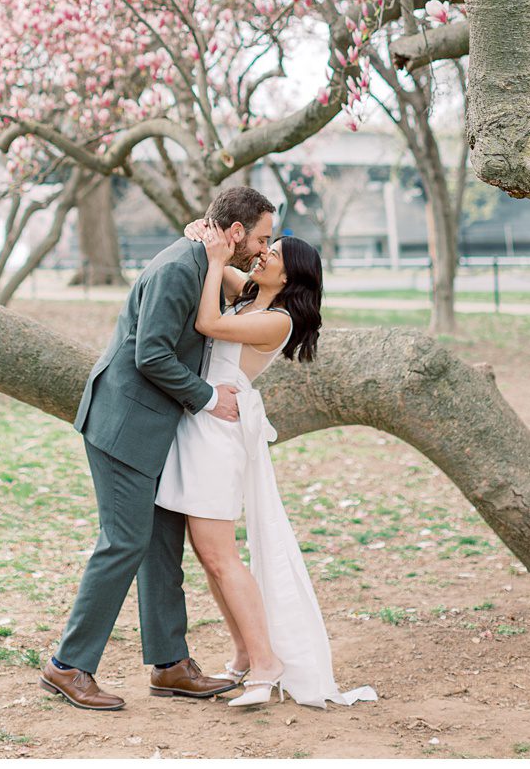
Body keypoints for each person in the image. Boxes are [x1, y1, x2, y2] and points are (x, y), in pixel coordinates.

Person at [41, 185, 275, 712]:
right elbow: (151, 355)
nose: (264, 248)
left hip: (156, 429)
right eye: (260, 237)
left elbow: (239, 294)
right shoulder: (178, 268)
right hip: (123, 425)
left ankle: (171, 664)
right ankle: (68, 666)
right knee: (124, 542)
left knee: (162, 541)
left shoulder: (204, 260)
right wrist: (209, 398)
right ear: (235, 232)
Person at [157, 220, 375, 709]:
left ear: (290, 274)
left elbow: (207, 324)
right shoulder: (252, 293)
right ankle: (241, 654)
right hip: (201, 421)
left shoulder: (279, 319)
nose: (262, 256)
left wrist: (216, 262)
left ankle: (266, 663)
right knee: (206, 551)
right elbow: (224, 261)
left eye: (272, 252)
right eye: (264, 246)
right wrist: (204, 234)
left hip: (220, 433)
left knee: (219, 554)